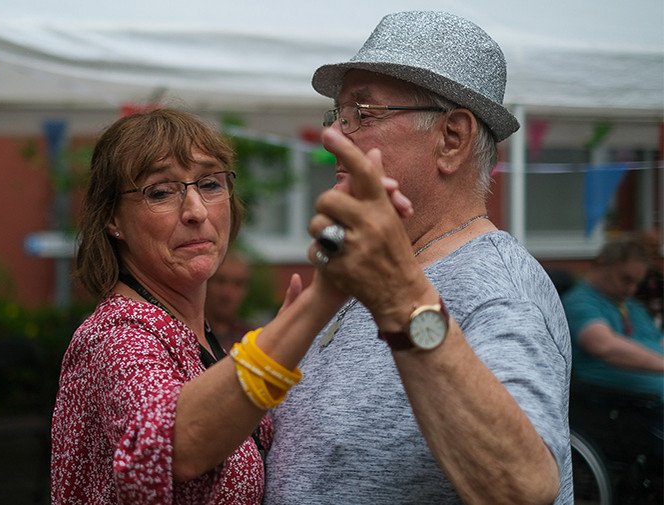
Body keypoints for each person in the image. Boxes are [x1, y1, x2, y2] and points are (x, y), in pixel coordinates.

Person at [264, 11, 573, 504]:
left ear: (452, 139)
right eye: (337, 115)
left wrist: (400, 299)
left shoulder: (499, 288)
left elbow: (522, 488)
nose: (336, 136)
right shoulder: (378, 265)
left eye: (362, 113)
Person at [50, 108, 391, 503]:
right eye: (160, 192)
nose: (196, 211)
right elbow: (172, 444)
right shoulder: (117, 336)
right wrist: (319, 300)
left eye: (210, 184)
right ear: (113, 219)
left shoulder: (190, 332)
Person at [562, 235, 664, 397]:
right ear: (602, 264)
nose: (631, 290)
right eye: (626, 279)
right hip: (618, 403)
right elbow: (603, 346)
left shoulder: (631, 306)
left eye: (637, 283)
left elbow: (658, 341)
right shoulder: (579, 302)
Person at [205, 249, 255, 351]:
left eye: (238, 284)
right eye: (220, 281)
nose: (227, 293)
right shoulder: (186, 336)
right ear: (206, 283)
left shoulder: (253, 341)